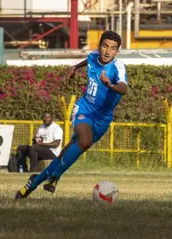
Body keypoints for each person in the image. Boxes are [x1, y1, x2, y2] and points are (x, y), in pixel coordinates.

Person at [15, 30, 128, 199]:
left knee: (67, 152)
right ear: (99, 46)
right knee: (84, 140)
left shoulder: (117, 67)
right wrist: (75, 67)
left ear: (116, 51)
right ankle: (55, 177)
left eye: (112, 48)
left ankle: (33, 182)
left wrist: (110, 85)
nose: (107, 51)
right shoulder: (93, 55)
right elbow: (89, 60)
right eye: (105, 46)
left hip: (103, 119)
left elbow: (124, 88)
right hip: (84, 108)